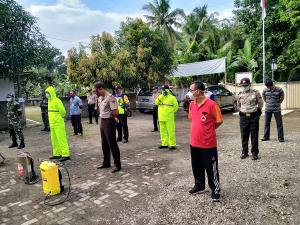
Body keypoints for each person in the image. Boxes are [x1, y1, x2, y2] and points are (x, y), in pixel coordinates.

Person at [186, 81, 223, 202]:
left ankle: (215, 189)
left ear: (199, 91)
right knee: (196, 166)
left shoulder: (212, 105)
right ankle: (199, 185)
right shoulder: (192, 105)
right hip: (194, 142)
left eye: (191, 90)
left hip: (208, 143)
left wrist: (209, 130)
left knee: (211, 168)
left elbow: (219, 121)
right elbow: (193, 119)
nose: (189, 93)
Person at [95, 82, 121, 173]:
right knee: (104, 143)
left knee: (112, 143)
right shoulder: (100, 98)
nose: (96, 93)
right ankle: (106, 162)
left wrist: (114, 116)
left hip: (109, 121)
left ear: (101, 88)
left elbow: (116, 112)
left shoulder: (111, 97)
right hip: (103, 121)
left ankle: (117, 164)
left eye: (97, 90)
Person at [237, 77, 264, 160]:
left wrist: (258, 112)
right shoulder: (240, 94)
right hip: (243, 117)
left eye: (246, 85)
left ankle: (254, 153)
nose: (244, 86)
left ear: (250, 84)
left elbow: (260, 103)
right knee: (244, 135)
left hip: (254, 116)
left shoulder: (256, 93)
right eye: (243, 85)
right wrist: (242, 111)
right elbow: (238, 105)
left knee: (254, 135)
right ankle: (244, 152)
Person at [46, 86, 70, 162]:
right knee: (54, 140)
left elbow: (63, 111)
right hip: (52, 123)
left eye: (48, 93)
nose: (47, 94)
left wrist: (59, 118)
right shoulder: (49, 101)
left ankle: (65, 154)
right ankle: (57, 154)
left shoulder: (57, 100)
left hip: (58, 123)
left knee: (61, 139)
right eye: (46, 93)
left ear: (51, 93)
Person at [155, 85, 179, 150]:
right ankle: (164, 144)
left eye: (164, 89)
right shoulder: (160, 96)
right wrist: (162, 96)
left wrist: (170, 112)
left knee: (170, 131)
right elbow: (156, 103)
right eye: (162, 89)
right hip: (161, 117)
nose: (163, 91)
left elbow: (176, 107)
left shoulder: (172, 97)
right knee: (162, 131)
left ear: (167, 90)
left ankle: (172, 144)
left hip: (169, 117)